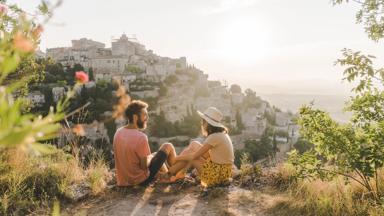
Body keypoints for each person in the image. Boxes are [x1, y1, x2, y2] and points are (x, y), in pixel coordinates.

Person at [164, 106, 235, 187]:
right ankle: (177, 171)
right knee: (194, 144)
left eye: (203, 121)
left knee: (193, 157)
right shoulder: (221, 134)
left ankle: (169, 174)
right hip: (223, 171)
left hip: (217, 176)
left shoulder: (214, 137)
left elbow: (194, 156)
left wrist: (176, 158)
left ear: (207, 123)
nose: (201, 123)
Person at [113, 100, 176, 186]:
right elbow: (144, 166)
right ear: (135, 117)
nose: (147, 118)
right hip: (140, 181)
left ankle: (167, 177)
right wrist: (151, 156)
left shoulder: (118, 133)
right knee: (168, 146)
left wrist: (151, 156)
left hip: (123, 182)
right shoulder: (141, 137)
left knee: (154, 155)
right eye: (145, 115)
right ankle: (177, 175)